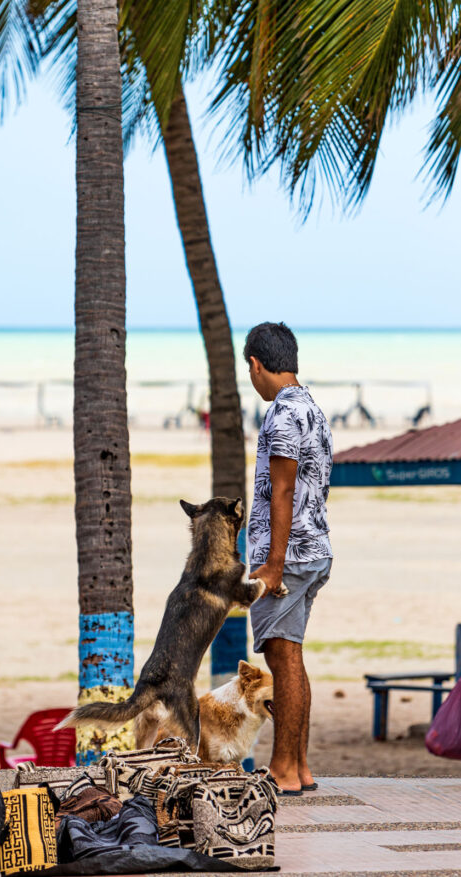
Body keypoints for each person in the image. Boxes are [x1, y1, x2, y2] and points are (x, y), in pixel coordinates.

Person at [244, 322, 333, 795]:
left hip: (290, 556)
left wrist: (273, 563)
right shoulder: (313, 410)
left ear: (257, 364)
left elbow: (282, 489)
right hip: (314, 548)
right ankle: (298, 767)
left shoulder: (282, 414)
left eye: (250, 371)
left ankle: (282, 768)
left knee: (282, 659)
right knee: (292, 656)